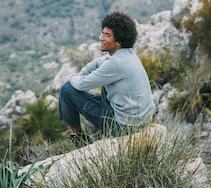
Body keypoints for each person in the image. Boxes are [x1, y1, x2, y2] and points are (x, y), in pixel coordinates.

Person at [58, 10, 155, 143]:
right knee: (103, 87)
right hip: (140, 120)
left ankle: (78, 138)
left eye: (107, 36)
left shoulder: (115, 63)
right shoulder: (128, 54)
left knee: (67, 90)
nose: (101, 38)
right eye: (102, 33)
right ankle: (93, 133)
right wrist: (79, 74)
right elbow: (98, 62)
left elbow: (81, 85)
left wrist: (70, 78)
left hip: (123, 127)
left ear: (118, 42)